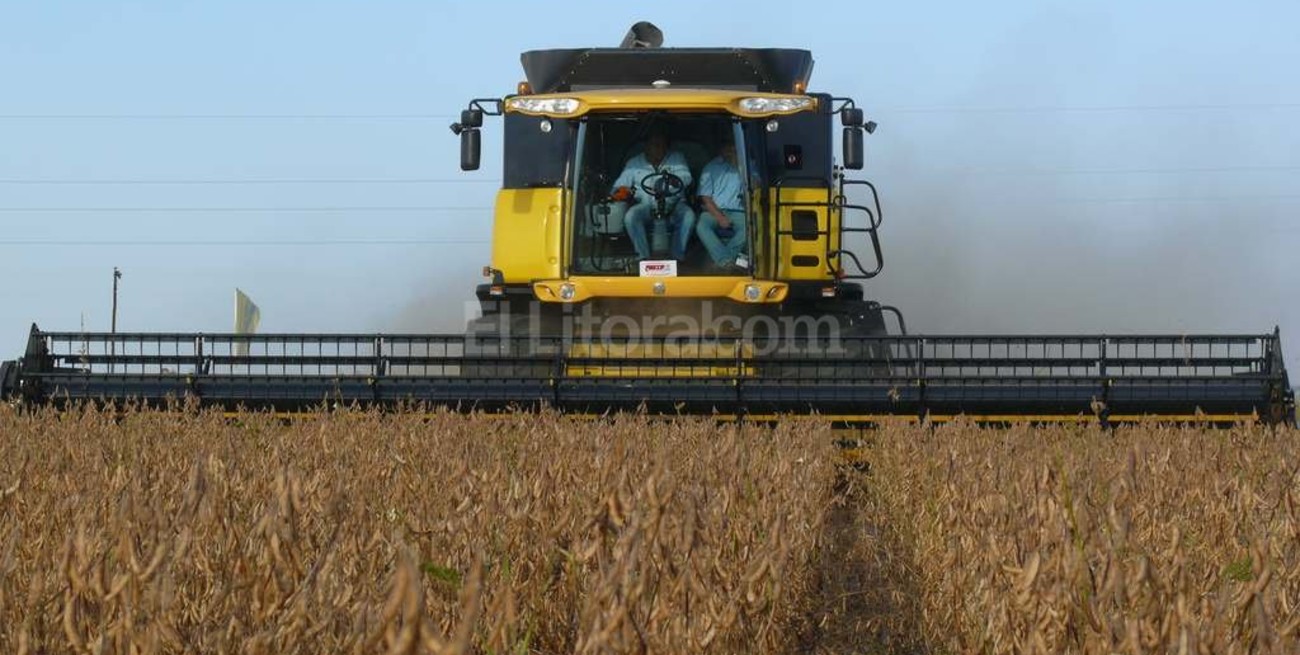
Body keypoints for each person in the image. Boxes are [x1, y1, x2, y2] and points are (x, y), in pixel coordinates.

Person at [609, 132, 696, 261]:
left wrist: (672, 181)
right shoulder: (634, 163)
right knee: (631, 216)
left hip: (675, 204)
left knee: (689, 216)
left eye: (662, 145)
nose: (659, 148)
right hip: (646, 205)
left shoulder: (677, 158)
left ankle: (677, 257)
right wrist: (622, 192)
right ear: (647, 147)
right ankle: (643, 258)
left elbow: (687, 178)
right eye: (655, 145)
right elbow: (619, 186)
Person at [694, 138, 748, 271]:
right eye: (728, 148)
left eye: (733, 148)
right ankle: (726, 261)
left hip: (739, 211)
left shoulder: (748, 165)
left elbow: (757, 186)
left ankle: (723, 260)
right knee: (702, 225)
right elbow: (705, 197)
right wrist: (719, 217)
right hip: (714, 210)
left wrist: (741, 167)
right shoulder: (710, 167)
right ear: (721, 149)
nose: (730, 151)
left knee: (750, 227)